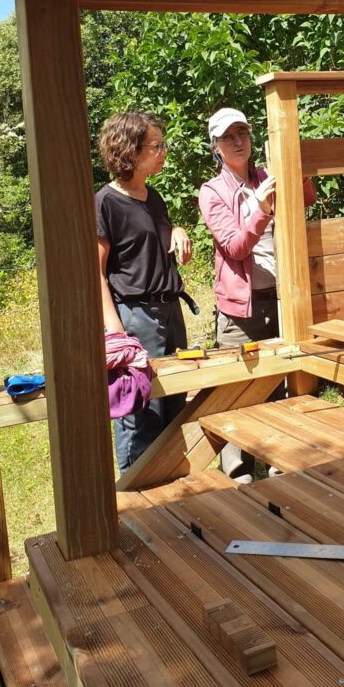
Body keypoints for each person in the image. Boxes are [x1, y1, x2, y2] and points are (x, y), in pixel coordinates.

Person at [198, 107, 315, 482]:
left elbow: (305, 201)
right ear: (215, 146)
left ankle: (282, 462)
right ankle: (238, 474)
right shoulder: (212, 192)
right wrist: (262, 210)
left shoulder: (268, 175)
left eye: (243, 133)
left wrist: (303, 167)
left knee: (282, 387)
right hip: (240, 311)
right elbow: (234, 247)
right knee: (237, 393)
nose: (238, 141)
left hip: (282, 301)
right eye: (228, 136)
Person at [96, 111, 193, 472]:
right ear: (131, 152)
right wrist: (117, 334)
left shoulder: (154, 198)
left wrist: (177, 230)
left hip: (171, 313)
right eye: (157, 145)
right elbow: (96, 275)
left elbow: (154, 239)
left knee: (176, 404)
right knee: (140, 410)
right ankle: (135, 500)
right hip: (135, 319)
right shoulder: (105, 202)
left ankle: (175, 486)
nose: (163, 151)